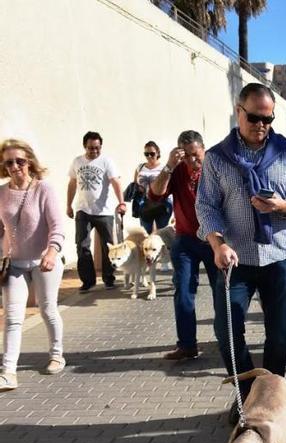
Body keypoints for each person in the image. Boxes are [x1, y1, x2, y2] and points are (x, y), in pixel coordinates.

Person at [195, 83, 286, 424]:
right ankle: (247, 393)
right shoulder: (217, 158)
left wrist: (285, 205)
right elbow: (206, 206)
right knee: (227, 329)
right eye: (254, 117)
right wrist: (218, 244)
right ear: (238, 112)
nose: (261, 124)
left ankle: (272, 396)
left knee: (278, 332)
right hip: (236, 258)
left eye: (268, 118)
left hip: (278, 256)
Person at [0, 139, 65, 391]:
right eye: (9, 162)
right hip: (13, 263)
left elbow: (57, 226)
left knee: (47, 309)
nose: (15, 166)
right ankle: (8, 372)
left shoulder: (43, 189)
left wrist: (52, 251)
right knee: (13, 316)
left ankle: (57, 354)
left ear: (30, 162)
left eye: (20, 161)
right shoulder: (2, 193)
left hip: (44, 261)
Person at [149, 130, 218, 360]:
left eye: (196, 154)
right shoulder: (176, 170)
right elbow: (156, 194)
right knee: (184, 292)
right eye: (186, 155)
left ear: (204, 149)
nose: (192, 160)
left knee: (223, 292)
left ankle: (228, 339)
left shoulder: (216, 167)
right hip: (186, 239)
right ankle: (187, 345)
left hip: (214, 239)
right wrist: (169, 165)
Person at [66, 131, 126, 291]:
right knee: (82, 245)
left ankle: (108, 278)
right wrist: (68, 205)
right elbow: (72, 183)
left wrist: (121, 202)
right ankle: (88, 281)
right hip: (83, 210)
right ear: (85, 147)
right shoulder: (77, 161)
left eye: (97, 148)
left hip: (104, 211)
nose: (94, 151)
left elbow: (115, 182)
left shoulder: (106, 161)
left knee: (108, 247)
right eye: (91, 148)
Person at [134, 141, 172, 233]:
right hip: (145, 204)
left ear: (158, 153)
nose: (149, 156)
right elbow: (135, 183)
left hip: (162, 203)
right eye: (146, 154)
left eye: (152, 153)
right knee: (145, 232)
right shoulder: (140, 167)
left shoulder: (164, 168)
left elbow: (169, 185)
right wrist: (139, 188)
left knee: (163, 232)